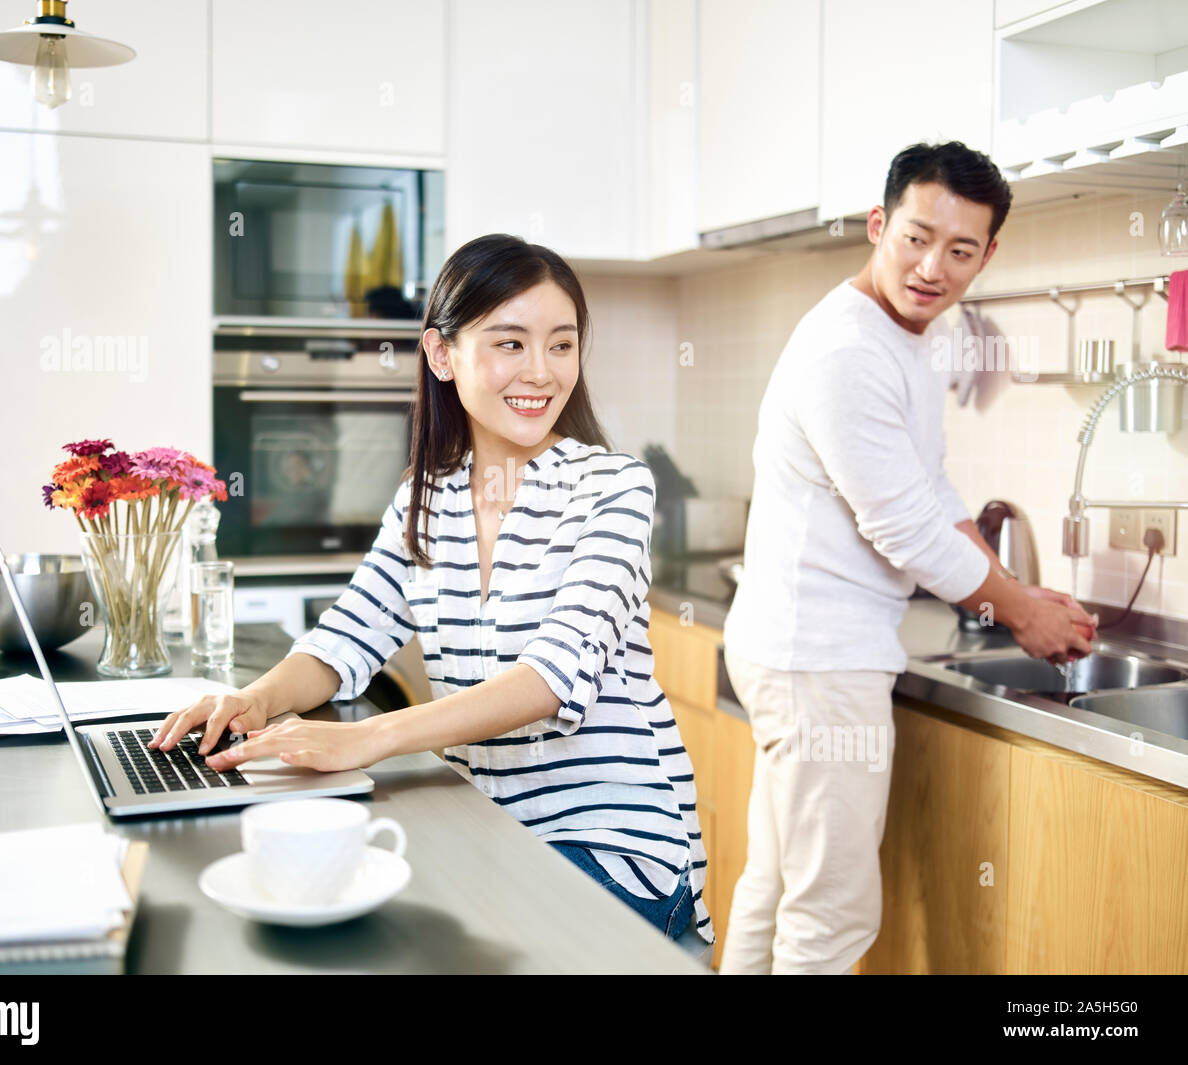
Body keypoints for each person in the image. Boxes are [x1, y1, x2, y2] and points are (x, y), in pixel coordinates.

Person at [151, 233, 712, 944]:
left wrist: (366, 739)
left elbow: (550, 677)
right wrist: (254, 699)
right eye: (510, 343)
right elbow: (345, 639)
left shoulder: (612, 487)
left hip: (615, 851)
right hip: (491, 831)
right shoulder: (428, 496)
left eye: (561, 345)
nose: (540, 371)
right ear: (442, 355)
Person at [719, 142, 1096, 974]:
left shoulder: (896, 336)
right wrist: (1016, 607)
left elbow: (930, 491)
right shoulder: (849, 351)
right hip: (819, 660)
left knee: (778, 885)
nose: (934, 266)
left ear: (988, 254)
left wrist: (1013, 586)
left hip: (800, 652)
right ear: (878, 224)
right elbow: (906, 532)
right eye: (916, 238)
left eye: (961, 250)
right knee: (830, 916)